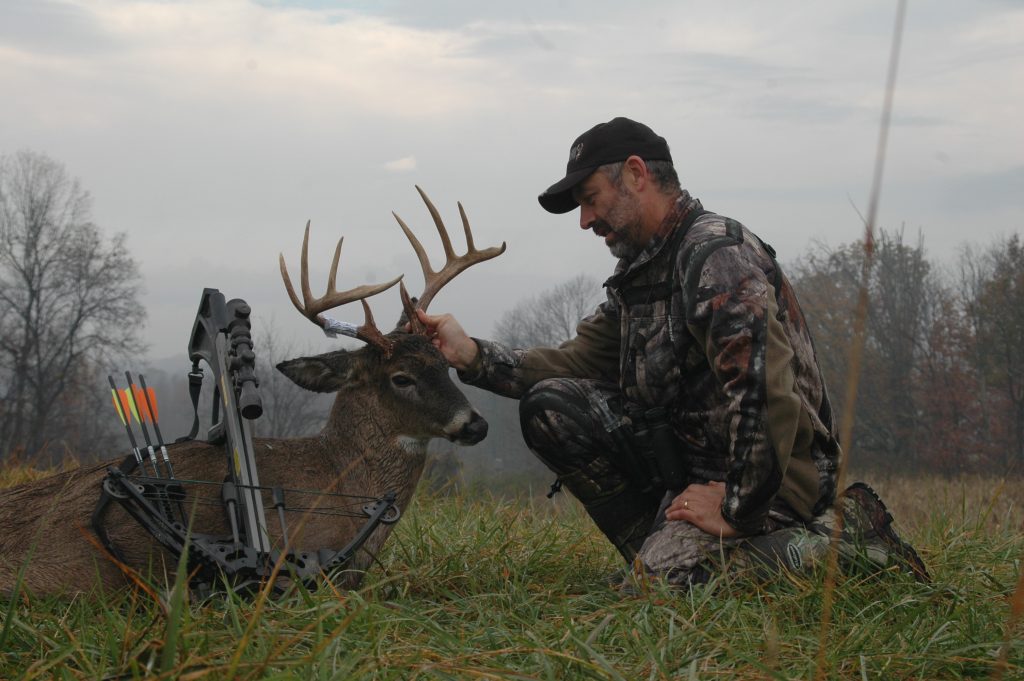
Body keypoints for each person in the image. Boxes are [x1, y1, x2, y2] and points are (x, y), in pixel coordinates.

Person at [417, 117, 928, 587]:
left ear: (636, 174)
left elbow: (765, 398)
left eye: (591, 198)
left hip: (768, 486)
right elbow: (577, 362)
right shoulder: (641, 273)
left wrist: (737, 508)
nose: (585, 219)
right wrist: (472, 355)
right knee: (553, 408)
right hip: (692, 473)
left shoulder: (716, 259)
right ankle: (663, 553)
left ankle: (848, 542)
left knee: (664, 592)